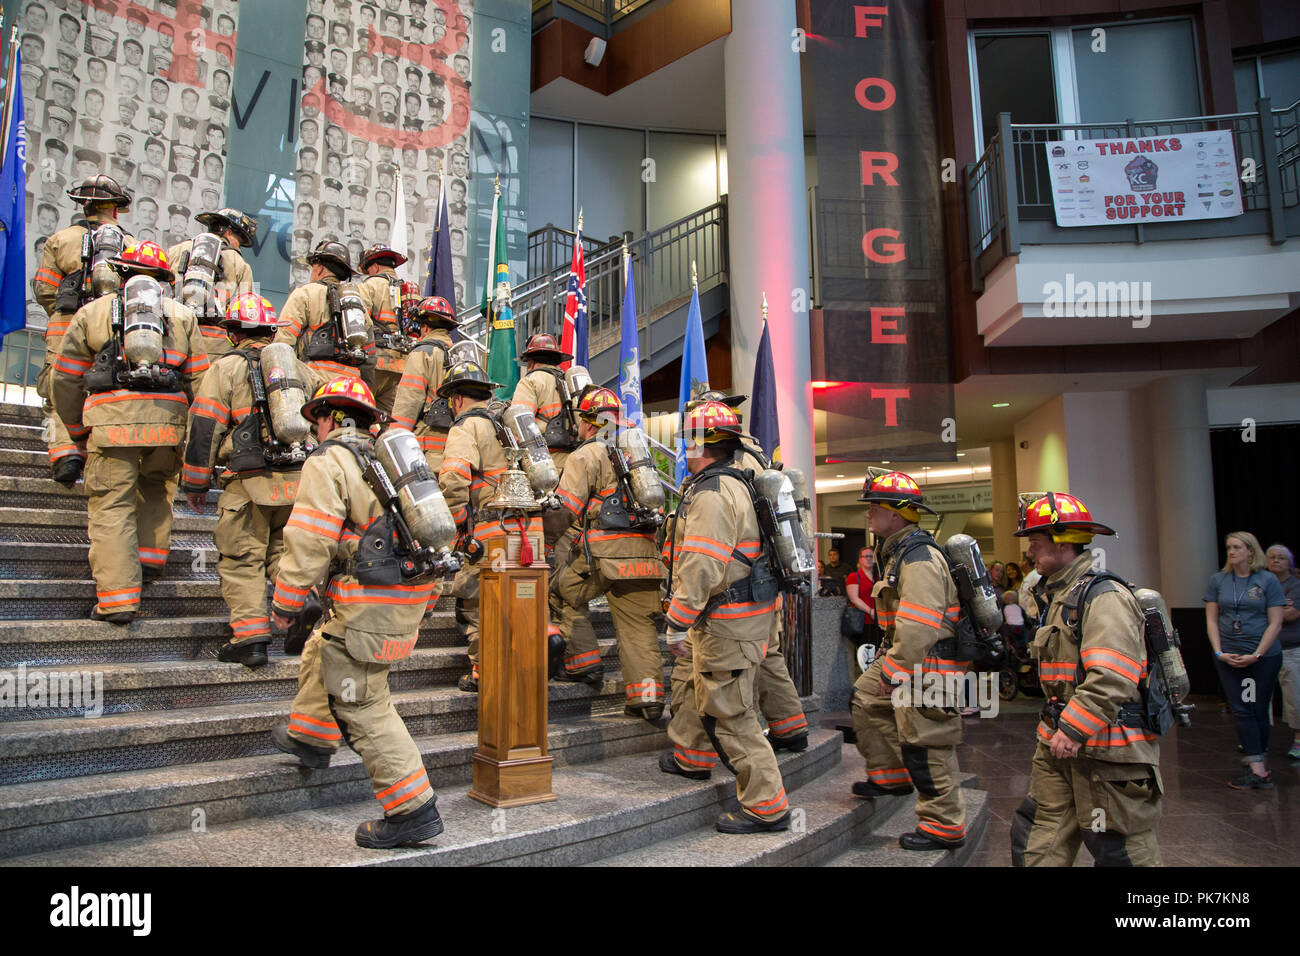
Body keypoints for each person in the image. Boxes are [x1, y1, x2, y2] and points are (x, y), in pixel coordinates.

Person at [269, 378, 445, 849]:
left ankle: (412, 810)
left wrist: (286, 603)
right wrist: (426, 605)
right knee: (324, 646)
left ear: (328, 417)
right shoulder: (389, 464)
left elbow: (310, 537)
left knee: (364, 702)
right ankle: (309, 735)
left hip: (368, 600)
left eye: (316, 421)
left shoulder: (330, 460)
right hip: (402, 597)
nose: (314, 432)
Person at [52, 241, 208, 624]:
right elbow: (202, 383)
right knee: (156, 488)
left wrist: (75, 430)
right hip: (167, 427)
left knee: (112, 505)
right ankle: (149, 562)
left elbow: (65, 379)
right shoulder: (183, 316)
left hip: (110, 425)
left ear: (119, 273)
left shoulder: (92, 312)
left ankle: (119, 599)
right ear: (165, 281)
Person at [1010, 492, 1161, 866]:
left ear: (1063, 542)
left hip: (1109, 750)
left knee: (1118, 847)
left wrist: (1075, 728)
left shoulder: (1104, 596)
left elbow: (1113, 675)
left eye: (1036, 542)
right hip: (1059, 744)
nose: (1029, 552)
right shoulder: (1061, 596)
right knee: (1038, 834)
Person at [660, 400, 791, 833]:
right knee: (729, 705)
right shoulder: (738, 483)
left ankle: (766, 807)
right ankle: (698, 760)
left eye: (686, 438)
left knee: (734, 718)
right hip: (743, 620)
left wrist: (678, 622)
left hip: (727, 624)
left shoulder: (713, 494)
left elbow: (701, 566)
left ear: (698, 442)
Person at [182, 294, 307, 668]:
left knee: (242, 559)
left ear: (233, 333)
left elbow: (205, 428)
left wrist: (195, 482)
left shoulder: (224, 369)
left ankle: (251, 639)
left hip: (248, 484)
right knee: (284, 554)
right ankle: (303, 604)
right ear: (271, 333)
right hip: (296, 481)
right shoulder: (295, 367)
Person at [849, 470, 967, 851]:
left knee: (927, 743)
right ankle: (890, 774)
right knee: (866, 699)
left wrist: (895, 670)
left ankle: (944, 824)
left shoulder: (919, 557)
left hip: (927, 668)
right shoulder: (899, 551)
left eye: (873, 508)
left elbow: (918, 625)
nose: (868, 515)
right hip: (908, 658)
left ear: (895, 515)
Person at [542, 388, 666, 717]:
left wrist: (543, 538)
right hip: (645, 556)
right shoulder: (635, 453)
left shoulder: (586, 455)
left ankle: (584, 663)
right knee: (638, 626)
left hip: (606, 555)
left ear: (587, 423)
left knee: (561, 591)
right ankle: (647, 699)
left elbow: (566, 510)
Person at [438, 361, 542, 693]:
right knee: (522, 601)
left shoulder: (465, 428)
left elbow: (454, 479)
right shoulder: (508, 425)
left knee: (474, 601)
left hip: (491, 535)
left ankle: (485, 673)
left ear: (456, 400)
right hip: (529, 533)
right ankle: (524, 672)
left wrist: (454, 530)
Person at [33, 174, 137, 487]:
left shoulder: (60, 240)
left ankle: (65, 454)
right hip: (109, 329)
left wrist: (64, 315)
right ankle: (97, 454)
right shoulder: (131, 246)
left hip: (64, 327)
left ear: (85, 205)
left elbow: (43, 289)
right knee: (103, 387)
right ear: (116, 210)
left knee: (57, 392)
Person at [1204, 531, 1286, 789]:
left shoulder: (1267, 580)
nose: (1231, 552)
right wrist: (1218, 651)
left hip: (1262, 657)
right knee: (1242, 710)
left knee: (1258, 709)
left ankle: (1257, 762)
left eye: (1237, 547)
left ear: (1251, 551)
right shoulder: (1219, 580)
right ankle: (1258, 768)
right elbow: (1211, 620)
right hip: (1229, 656)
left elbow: (1276, 622)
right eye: (1229, 547)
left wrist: (1257, 654)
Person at [274, 239, 382, 385]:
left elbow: (283, 342)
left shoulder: (304, 294)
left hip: (313, 381)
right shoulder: (358, 304)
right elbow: (369, 359)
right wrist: (365, 389)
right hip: (349, 386)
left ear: (319, 268)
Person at [167, 207, 258, 359]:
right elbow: (245, 314)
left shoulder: (175, 250)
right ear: (229, 233)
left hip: (175, 336)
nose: (238, 248)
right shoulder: (239, 263)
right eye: (239, 242)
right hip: (214, 345)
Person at [388, 294, 458, 472]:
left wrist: (393, 441)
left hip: (428, 450)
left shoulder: (423, 353)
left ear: (425, 328)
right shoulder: (461, 355)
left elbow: (409, 401)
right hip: (457, 449)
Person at [511, 332, 578, 472]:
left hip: (546, 463)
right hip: (575, 460)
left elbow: (519, 424)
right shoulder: (570, 381)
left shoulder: (530, 381)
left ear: (531, 362)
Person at [357, 245, 407, 415]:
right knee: (388, 419)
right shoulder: (407, 289)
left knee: (363, 412)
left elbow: (361, 321)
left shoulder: (369, 285)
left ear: (375, 266)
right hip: (400, 367)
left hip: (375, 362)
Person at [1266, 544, 1300, 760]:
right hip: (1263, 651)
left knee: (1294, 698)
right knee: (1258, 698)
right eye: (1272, 557)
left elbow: (1291, 615)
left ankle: (1298, 740)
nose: (1276, 561)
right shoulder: (1262, 584)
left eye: (1281, 558)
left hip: (1290, 649)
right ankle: (1258, 739)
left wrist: (1267, 609)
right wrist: (1279, 608)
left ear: (1289, 563)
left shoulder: (1295, 586)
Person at [845, 545, 880, 647]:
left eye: (871, 556)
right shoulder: (854, 576)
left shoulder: (878, 576)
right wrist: (871, 611)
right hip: (862, 621)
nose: (869, 559)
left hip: (879, 621)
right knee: (865, 652)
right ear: (860, 559)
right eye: (866, 556)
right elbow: (854, 599)